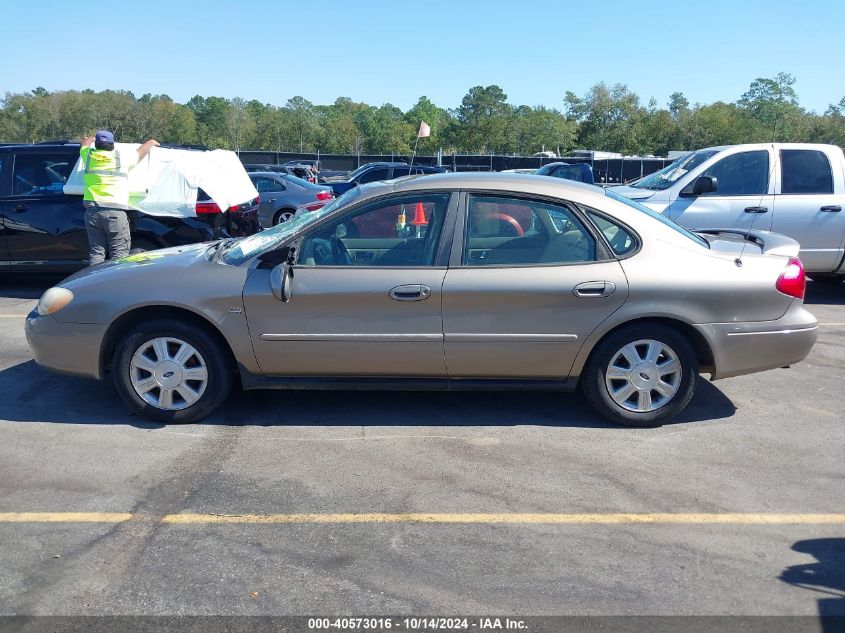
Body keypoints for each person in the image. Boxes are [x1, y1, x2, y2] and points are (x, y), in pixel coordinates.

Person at [79, 131, 159, 265]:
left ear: (97, 144)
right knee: (119, 254)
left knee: (97, 252)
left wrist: (90, 138)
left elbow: (83, 144)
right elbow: (140, 152)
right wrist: (150, 143)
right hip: (115, 213)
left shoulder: (88, 156)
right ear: (112, 145)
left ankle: (94, 284)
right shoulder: (119, 157)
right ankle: (114, 283)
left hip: (93, 212)